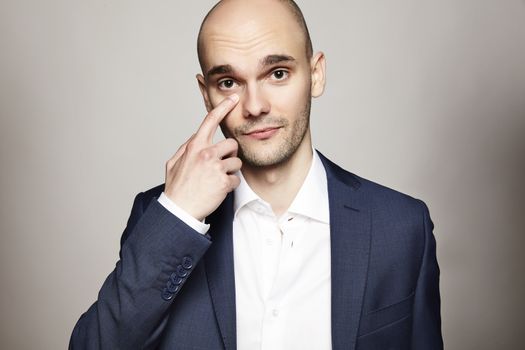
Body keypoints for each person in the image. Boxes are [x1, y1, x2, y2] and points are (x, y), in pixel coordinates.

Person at [69, 0, 443, 349]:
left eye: (277, 73)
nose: (254, 106)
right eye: (228, 83)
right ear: (206, 94)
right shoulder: (162, 216)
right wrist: (179, 215)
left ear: (316, 75)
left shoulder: (401, 226)